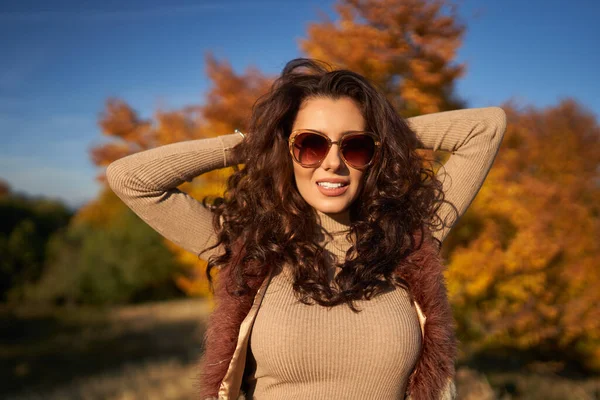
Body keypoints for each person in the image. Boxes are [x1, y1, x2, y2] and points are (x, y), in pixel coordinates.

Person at [106, 58, 507, 400]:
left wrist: (387, 131)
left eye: (356, 147)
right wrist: (260, 141)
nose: (333, 162)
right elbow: (132, 178)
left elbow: (485, 127)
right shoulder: (250, 247)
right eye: (311, 144)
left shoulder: (408, 240)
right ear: (287, 150)